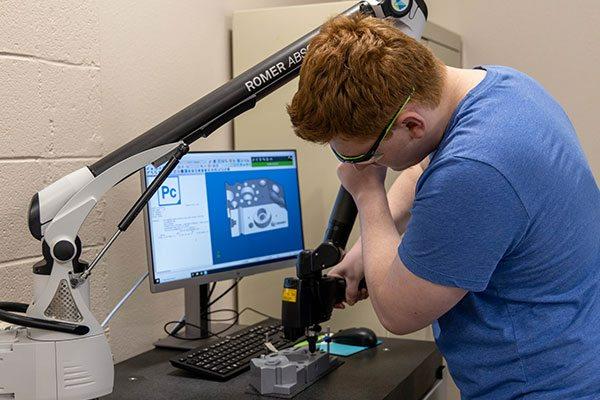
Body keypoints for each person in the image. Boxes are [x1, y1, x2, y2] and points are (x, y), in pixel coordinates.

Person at [286, 14, 600, 400]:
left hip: (540, 388)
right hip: (575, 354)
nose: (361, 167)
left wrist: (368, 194)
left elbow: (398, 314)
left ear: (412, 125)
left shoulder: (476, 167)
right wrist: (365, 249)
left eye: (366, 156)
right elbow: (427, 164)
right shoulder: (504, 88)